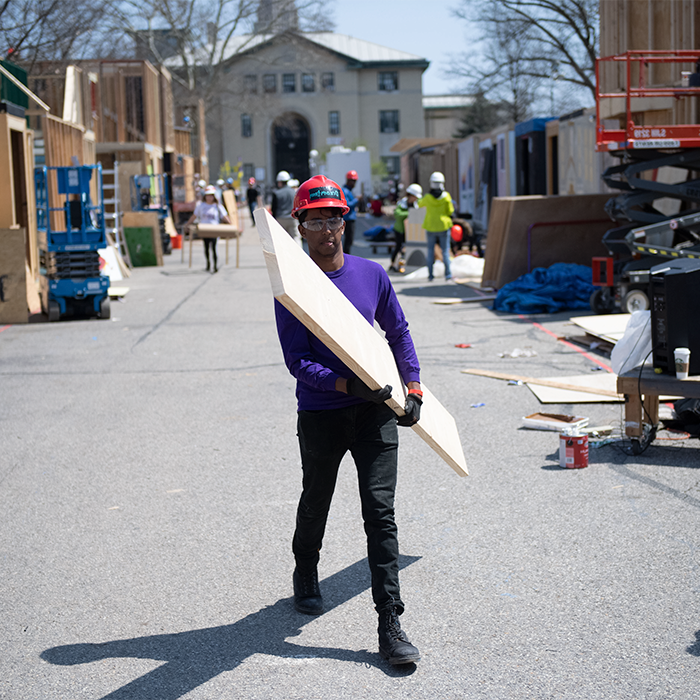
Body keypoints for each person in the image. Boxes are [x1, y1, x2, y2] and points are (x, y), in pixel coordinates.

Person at [274, 174, 423, 666]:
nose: (327, 230)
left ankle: (390, 622)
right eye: (315, 221)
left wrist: (413, 387)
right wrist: (344, 386)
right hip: (322, 414)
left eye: (334, 218)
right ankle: (305, 571)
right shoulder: (293, 289)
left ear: (345, 221)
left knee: (380, 513)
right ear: (300, 226)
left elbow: (398, 332)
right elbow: (298, 362)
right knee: (316, 497)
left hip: (375, 411)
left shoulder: (371, 274)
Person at [184, 184, 230, 273]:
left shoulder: (218, 206)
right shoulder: (201, 206)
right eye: (208, 196)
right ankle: (208, 264)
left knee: (214, 247)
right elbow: (194, 216)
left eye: (211, 196)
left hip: (214, 229)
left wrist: (231, 225)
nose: (209, 198)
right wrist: (187, 224)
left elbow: (224, 216)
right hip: (204, 230)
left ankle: (215, 266)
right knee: (206, 248)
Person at [418, 172, 455, 282]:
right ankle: (448, 275)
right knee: (445, 251)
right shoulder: (446, 196)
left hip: (430, 226)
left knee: (430, 251)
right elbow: (451, 211)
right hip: (443, 226)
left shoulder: (427, 197)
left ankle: (430, 275)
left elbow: (419, 205)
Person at [389, 183, 422, 273]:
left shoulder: (417, 204)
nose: (416, 199)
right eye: (414, 196)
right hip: (400, 230)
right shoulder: (402, 204)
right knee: (398, 247)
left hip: (411, 231)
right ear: (410, 195)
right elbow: (397, 214)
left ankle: (402, 266)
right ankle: (392, 264)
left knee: (406, 249)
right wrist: (411, 213)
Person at [271, 170, 300, 245]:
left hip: (280, 219)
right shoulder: (294, 192)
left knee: (282, 239)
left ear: (280, 182)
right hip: (292, 218)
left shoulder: (276, 193)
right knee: (295, 238)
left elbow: (273, 208)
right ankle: (299, 255)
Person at [341, 170, 359, 254]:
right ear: (348, 180)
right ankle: (345, 256)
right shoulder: (345, 191)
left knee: (350, 240)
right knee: (348, 240)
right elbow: (347, 204)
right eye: (353, 181)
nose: (354, 183)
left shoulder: (350, 191)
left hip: (351, 218)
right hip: (348, 219)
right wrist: (357, 200)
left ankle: (346, 255)